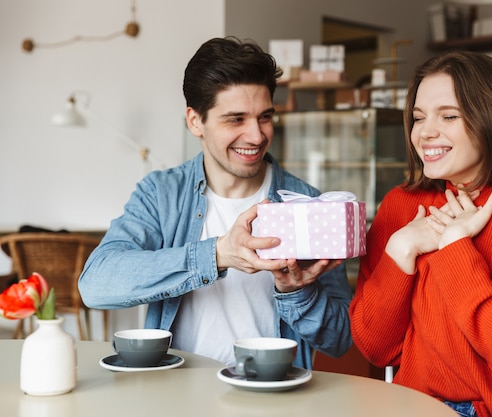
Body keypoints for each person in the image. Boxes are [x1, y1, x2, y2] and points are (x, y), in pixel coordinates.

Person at [78, 36, 352, 369]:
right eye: (236, 119)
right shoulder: (161, 194)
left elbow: (341, 339)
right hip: (176, 395)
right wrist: (218, 254)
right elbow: (96, 286)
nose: (256, 135)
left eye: (265, 117)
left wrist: (298, 293)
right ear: (195, 121)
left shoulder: (308, 203)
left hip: (270, 398)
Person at [349, 50, 492, 417]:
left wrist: (454, 246)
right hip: (413, 405)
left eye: (448, 116)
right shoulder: (402, 204)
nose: (426, 132)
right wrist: (401, 248)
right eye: (418, 118)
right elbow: (377, 349)